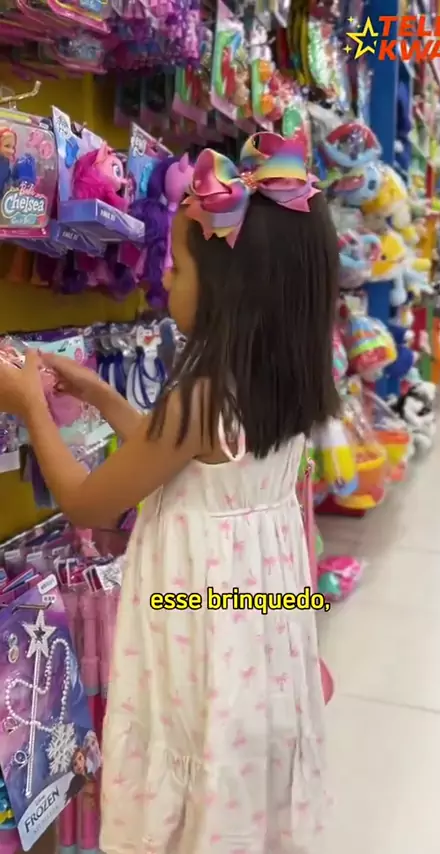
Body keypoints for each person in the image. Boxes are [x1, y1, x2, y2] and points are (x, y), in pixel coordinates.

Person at [0, 133, 339, 854]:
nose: (164, 280)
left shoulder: (200, 400)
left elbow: (89, 502)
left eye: (178, 267)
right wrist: (99, 393)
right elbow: (173, 458)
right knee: (235, 783)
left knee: (189, 771)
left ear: (229, 290)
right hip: (256, 638)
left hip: (198, 636)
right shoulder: (276, 383)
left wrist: (32, 408)